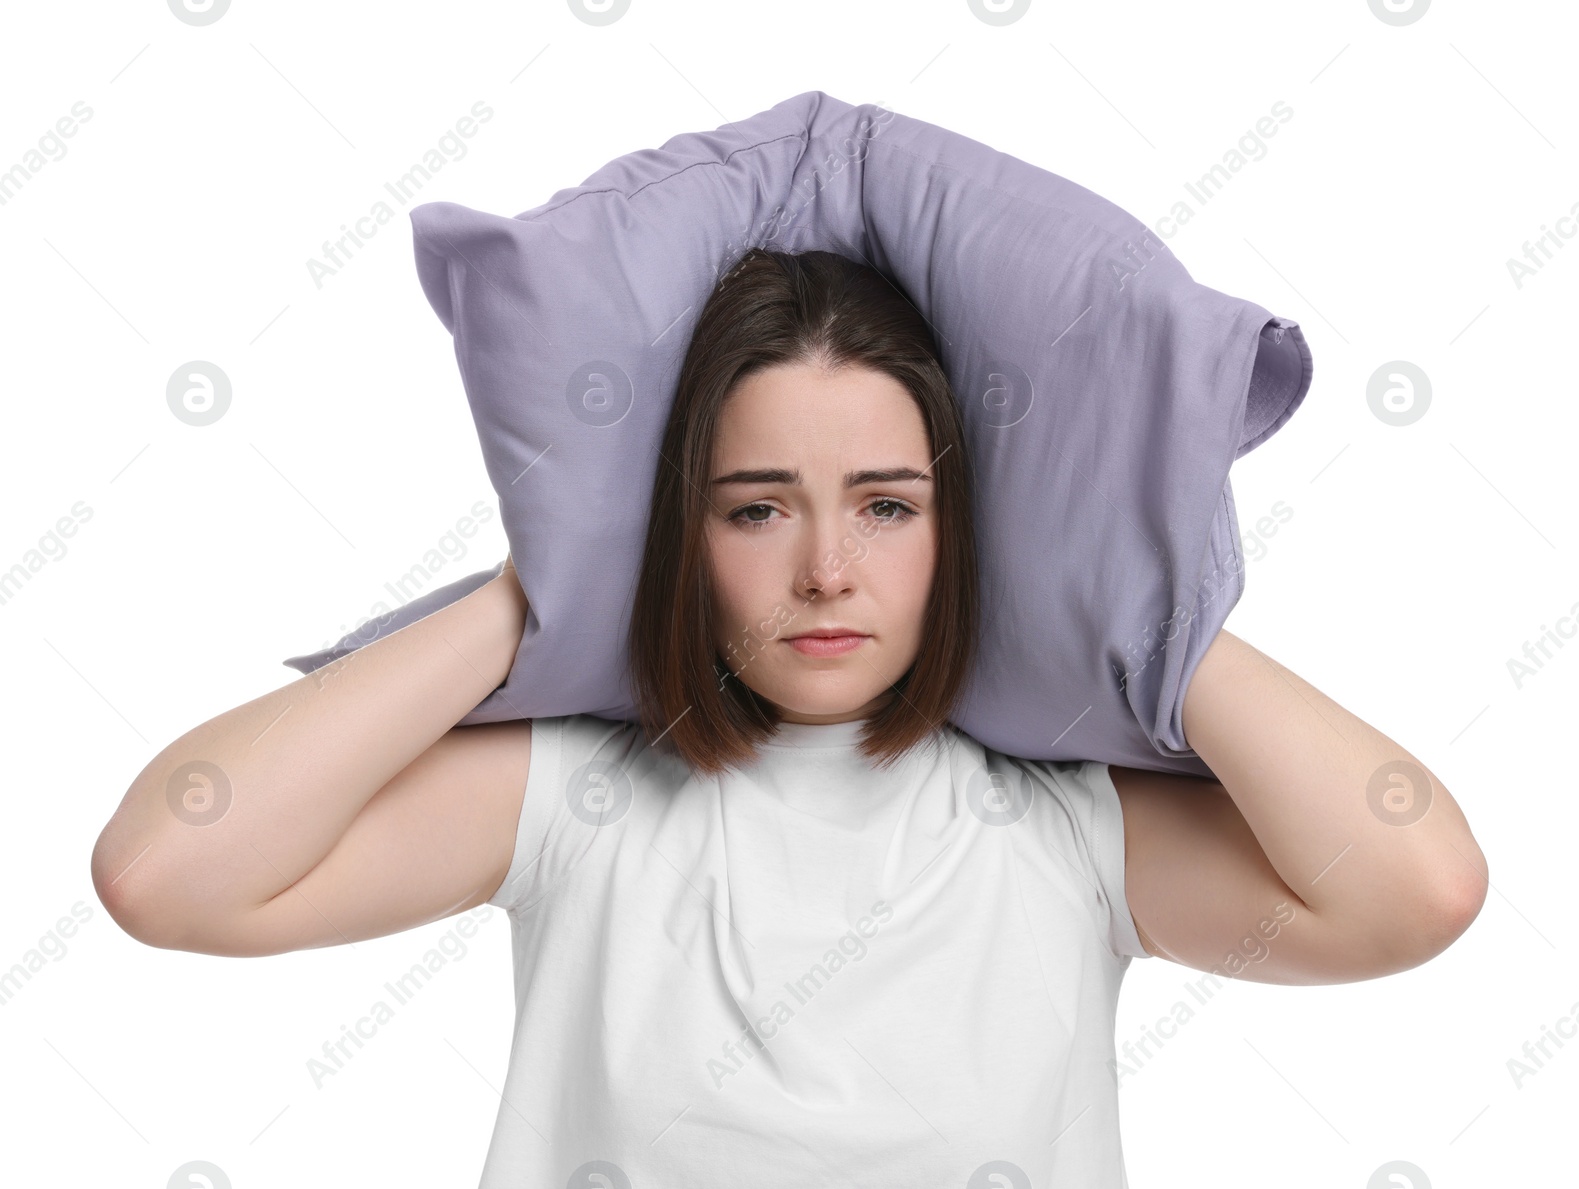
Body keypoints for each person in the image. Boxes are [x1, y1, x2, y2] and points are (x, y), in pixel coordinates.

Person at [90, 249, 1488, 1187]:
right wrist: (543, 592)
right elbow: (166, 869)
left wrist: (1136, 616)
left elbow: (1419, 887)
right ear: (679, 529)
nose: (827, 566)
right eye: (758, 506)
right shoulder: (580, 796)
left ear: (961, 526)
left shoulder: (1062, 821)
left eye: (888, 504)